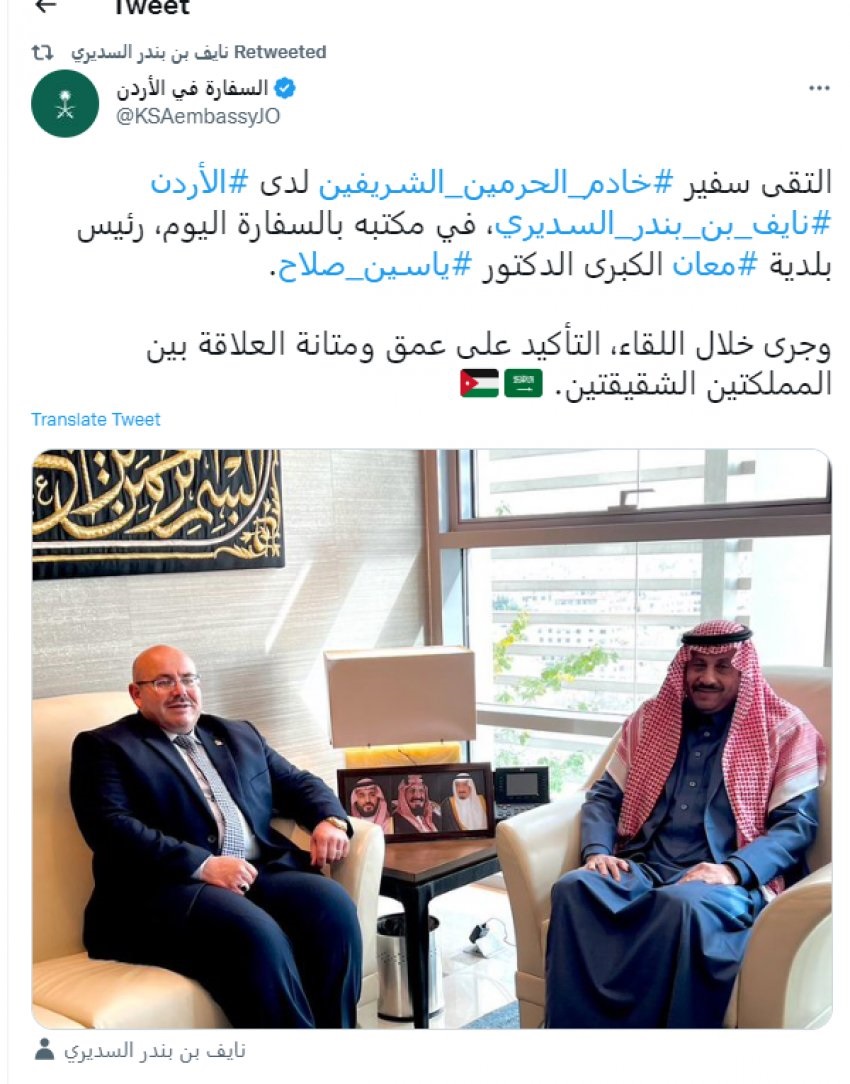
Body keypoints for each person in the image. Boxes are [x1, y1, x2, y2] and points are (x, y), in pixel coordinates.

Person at [545, 620, 825, 1028]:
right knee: (575, 888)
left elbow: (795, 825)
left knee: (680, 906)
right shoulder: (651, 721)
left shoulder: (784, 728)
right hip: (644, 866)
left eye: (723, 666)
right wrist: (597, 852)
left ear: (743, 670)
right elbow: (604, 797)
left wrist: (733, 870)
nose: (707, 678)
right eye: (698, 665)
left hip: (726, 880)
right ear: (684, 667)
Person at [70, 644, 363, 1029]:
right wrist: (204, 865)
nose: (180, 690)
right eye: (163, 682)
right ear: (136, 694)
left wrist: (330, 820)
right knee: (255, 934)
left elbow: (298, 783)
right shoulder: (104, 747)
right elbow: (110, 827)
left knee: (332, 905)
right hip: (167, 890)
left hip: (257, 871)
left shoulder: (237, 734)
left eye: (188, 679)